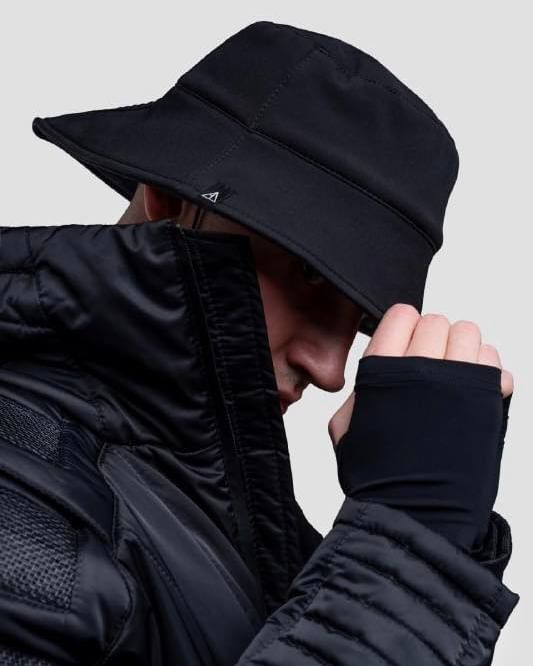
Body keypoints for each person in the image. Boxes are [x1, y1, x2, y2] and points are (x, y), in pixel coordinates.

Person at [0, 19, 519, 665]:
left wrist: (435, 542)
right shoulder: (23, 508)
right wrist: (407, 544)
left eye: (359, 315)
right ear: (168, 200)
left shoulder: (204, 504)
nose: (331, 369)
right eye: (309, 276)